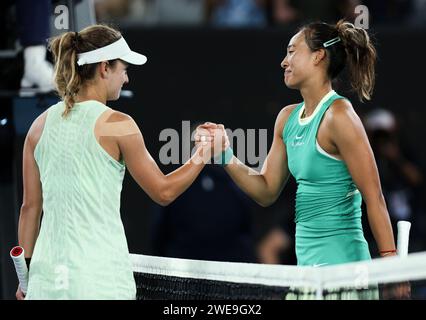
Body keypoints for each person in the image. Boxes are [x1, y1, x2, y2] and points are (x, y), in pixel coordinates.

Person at [16, 24, 224, 300]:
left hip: (46, 285)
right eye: (123, 69)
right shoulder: (118, 124)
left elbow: (30, 208)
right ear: (104, 68)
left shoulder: (38, 127)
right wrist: (203, 153)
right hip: (99, 283)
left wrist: (25, 279)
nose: (126, 79)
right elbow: (163, 191)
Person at [197, 20, 402, 268]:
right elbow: (266, 190)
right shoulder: (286, 119)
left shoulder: (339, 115)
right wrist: (226, 155)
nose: (284, 61)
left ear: (318, 56)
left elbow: (375, 197)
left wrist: (392, 265)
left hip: (344, 268)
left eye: (292, 52)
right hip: (306, 271)